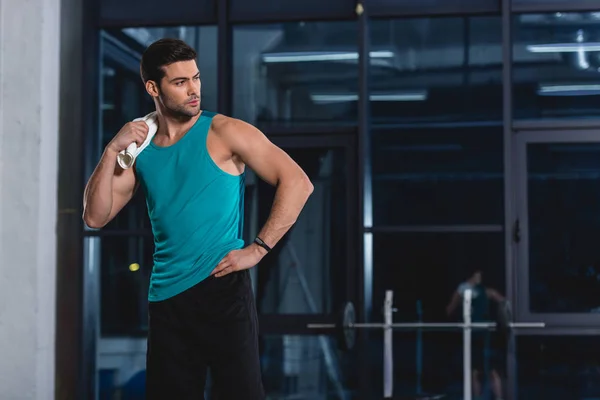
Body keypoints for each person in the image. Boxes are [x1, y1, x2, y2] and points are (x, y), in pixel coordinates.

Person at [82, 38, 314, 399]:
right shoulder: (138, 148)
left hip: (222, 288)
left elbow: (298, 182)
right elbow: (95, 216)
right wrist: (112, 149)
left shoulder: (225, 132)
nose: (194, 90)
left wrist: (258, 249)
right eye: (180, 82)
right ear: (152, 88)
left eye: (196, 78)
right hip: (167, 300)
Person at [446, 268, 506, 400]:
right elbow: (450, 310)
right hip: (474, 336)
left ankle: (498, 397)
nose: (479, 277)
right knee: (476, 371)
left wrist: (502, 319)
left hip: (485, 336)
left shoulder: (486, 291)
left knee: (490, 370)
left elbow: (503, 302)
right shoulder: (462, 291)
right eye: (476, 275)